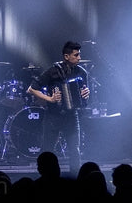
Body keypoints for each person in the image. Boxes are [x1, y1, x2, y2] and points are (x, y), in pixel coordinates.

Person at [26, 40, 90, 175]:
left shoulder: (82, 72)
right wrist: (49, 98)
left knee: (74, 149)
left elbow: (85, 99)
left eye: (79, 55)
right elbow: (31, 89)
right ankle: (47, 178)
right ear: (66, 56)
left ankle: (76, 178)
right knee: (48, 150)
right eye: (76, 55)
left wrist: (86, 95)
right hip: (53, 116)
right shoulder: (53, 71)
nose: (79, 58)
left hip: (72, 116)